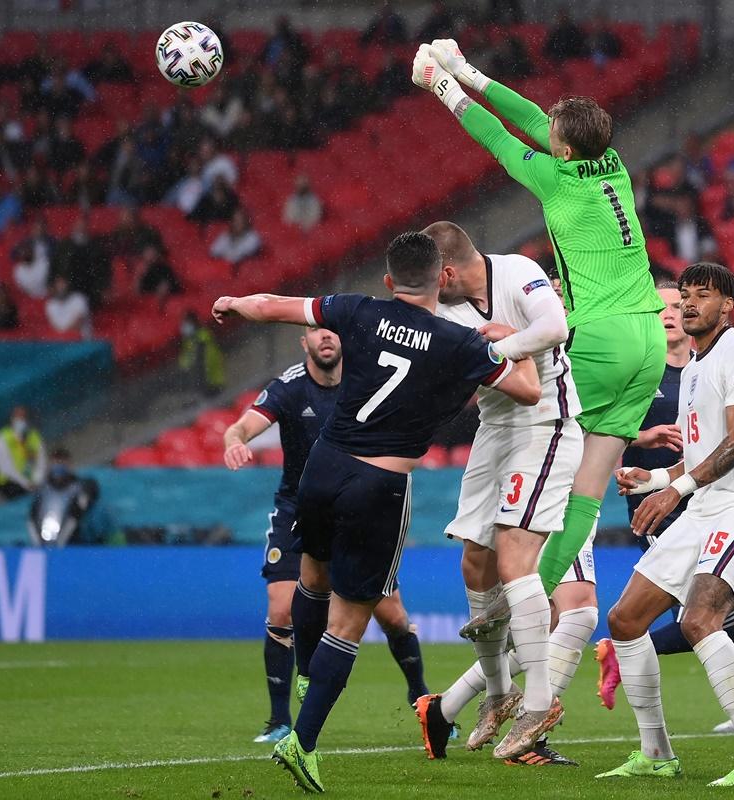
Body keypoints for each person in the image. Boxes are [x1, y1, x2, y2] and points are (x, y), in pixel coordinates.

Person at [210, 231, 542, 792]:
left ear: (388, 281)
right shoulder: (461, 343)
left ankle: (308, 675)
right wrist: (517, 341)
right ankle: (303, 742)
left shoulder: (357, 311)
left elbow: (272, 306)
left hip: (323, 467)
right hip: (379, 484)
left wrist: (234, 304)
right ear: (443, 279)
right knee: (351, 620)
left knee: (311, 576)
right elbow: (530, 392)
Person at [412, 41, 667, 614]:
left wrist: (442, 88)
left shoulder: (558, 183)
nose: (543, 128)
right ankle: (536, 599)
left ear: (565, 148)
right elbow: (532, 119)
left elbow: (502, 138)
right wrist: (467, 68)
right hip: (649, 338)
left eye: (554, 131)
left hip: (599, 333)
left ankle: (515, 601)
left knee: (544, 441)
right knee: (588, 494)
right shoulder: (613, 165)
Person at [599, 263, 734, 787]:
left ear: (727, 304)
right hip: (705, 504)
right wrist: (652, 477)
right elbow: (702, 452)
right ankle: (656, 752)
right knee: (625, 620)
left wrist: (673, 491)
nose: (687, 305)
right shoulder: (695, 367)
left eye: (701, 296)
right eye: (684, 296)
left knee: (699, 619)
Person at [415, 221, 590, 766]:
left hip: (546, 424)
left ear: (446, 272)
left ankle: (539, 702)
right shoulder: (444, 311)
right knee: (476, 562)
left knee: (515, 556)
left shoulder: (518, 271)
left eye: (429, 279)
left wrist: (503, 343)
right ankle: (497, 694)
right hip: (495, 431)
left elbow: (555, 326)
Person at [223, 326, 430, 744]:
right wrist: (233, 441)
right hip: (296, 508)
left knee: (392, 616)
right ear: (305, 342)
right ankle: (279, 719)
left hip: (353, 510)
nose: (326, 338)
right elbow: (241, 427)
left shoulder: (364, 380)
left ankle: (421, 696)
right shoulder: (289, 387)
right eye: (316, 331)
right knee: (280, 610)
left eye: (333, 332)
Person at [27, 447, 99, 547]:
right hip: (46, 534)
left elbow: (77, 512)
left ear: (69, 464)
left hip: (73, 539)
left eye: (62, 462)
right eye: (56, 462)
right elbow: (32, 516)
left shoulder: (78, 487)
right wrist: (37, 543)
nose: (59, 466)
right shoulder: (43, 490)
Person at [0, 406, 46, 499]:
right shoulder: (1, 438)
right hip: (9, 481)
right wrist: (25, 483)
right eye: (17, 417)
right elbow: (5, 467)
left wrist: (38, 479)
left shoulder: (33, 435)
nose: (20, 419)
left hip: (29, 477)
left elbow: (41, 460)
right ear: (11, 419)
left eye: (23, 417)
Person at [177, 311, 226, 396]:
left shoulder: (202, 338)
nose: (184, 326)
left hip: (212, 383)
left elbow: (206, 362)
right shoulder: (189, 341)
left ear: (193, 322)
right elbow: (186, 360)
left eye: (186, 322)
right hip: (202, 383)